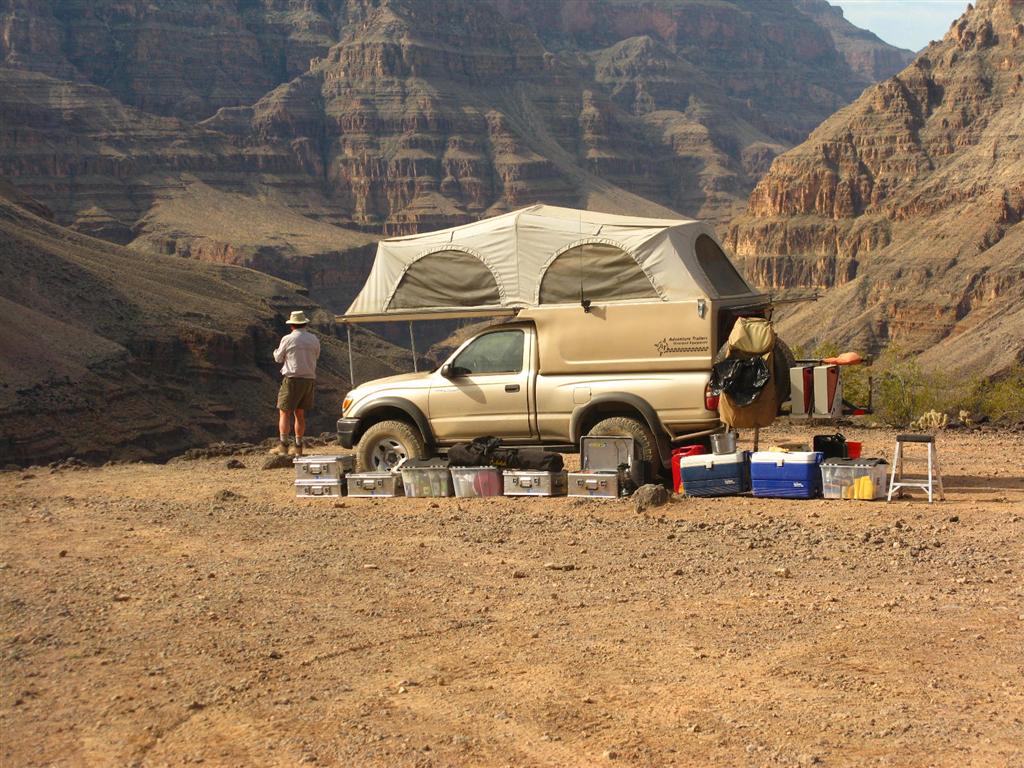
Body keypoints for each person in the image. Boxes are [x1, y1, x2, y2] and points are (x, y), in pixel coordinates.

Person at [272, 310, 321, 456]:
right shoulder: (314, 339)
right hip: (309, 380)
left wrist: (276, 352)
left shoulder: (287, 339)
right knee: (300, 414)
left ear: (292, 325)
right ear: (305, 323)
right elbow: (316, 356)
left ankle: (283, 446)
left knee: (284, 412)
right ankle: (299, 447)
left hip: (292, 379)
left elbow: (278, 358)